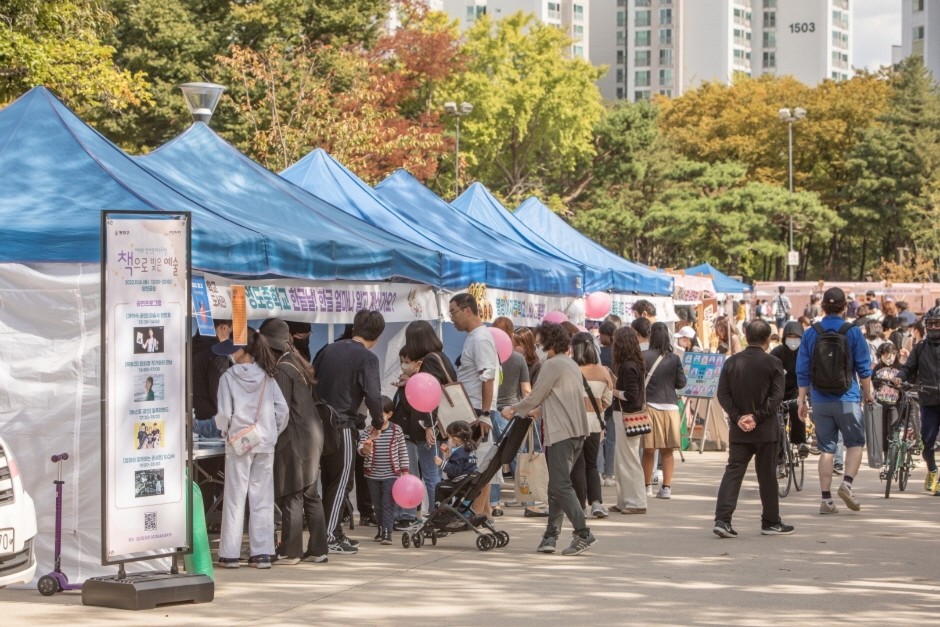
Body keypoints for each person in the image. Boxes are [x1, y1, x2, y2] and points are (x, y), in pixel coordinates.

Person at [501, 322, 597, 556]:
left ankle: (583, 533)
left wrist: (513, 409)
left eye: (540, 340)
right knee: (557, 485)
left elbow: (535, 395)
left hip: (561, 432)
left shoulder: (551, 365)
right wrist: (539, 411)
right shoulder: (570, 364)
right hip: (577, 431)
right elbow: (557, 398)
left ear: (550, 342)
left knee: (560, 485)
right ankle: (550, 536)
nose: (538, 344)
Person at [213, 328, 289, 569]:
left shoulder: (228, 377)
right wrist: (271, 432)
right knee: (262, 497)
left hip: (239, 442)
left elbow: (224, 413)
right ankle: (263, 553)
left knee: (235, 497)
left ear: (241, 349)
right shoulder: (268, 376)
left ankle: (230, 554)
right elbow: (282, 410)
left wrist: (227, 431)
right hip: (265, 442)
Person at [313, 309, 386, 555]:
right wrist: (378, 421)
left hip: (317, 423)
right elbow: (374, 395)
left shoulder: (328, 349)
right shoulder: (367, 358)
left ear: (355, 328)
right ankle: (330, 535)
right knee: (341, 482)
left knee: (327, 481)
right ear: (377, 336)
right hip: (342, 423)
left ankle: (331, 532)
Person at [796, 287, 874, 515]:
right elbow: (864, 367)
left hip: (819, 398)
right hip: (847, 397)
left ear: (822, 307)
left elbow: (802, 370)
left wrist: (802, 401)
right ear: (845, 307)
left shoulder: (811, 332)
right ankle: (847, 483)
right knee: (855, 443)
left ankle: (826, 499)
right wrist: (868, 393)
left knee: (826, 449)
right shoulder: (853, 331)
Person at [713, 319, 792, 538]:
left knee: (733, 471)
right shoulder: (773, 363)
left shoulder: (731, 362)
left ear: (746, 337)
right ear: (768, 340)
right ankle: (770, 521)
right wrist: (757, 417)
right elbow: (776, 397)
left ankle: (722, 519)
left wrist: (738, 417)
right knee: (766, 475)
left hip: (739, 430)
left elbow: (723, 394)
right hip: (766, 429)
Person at [260, 319, 327, 565]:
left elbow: (281, 410)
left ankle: (291, 551)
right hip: (312, 436)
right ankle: (319, 549)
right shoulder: (295, 362)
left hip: (295, 437)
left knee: (292, 493)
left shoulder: (282, 369)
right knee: (310, 493)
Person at [448, 294, 499, 521]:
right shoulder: (474, 337)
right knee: (479, 462)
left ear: (467, 310)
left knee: (479, 465)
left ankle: (478, 512)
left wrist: (486, 413)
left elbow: (488, 377)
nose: (452, 318)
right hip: (473, 408)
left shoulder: (480, 339)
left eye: (454, 312)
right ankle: (484, 512)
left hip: (478, 410)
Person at [896, 306, 940, 494]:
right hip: (928, 401)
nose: (934, 327)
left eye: (937, 323)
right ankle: (932, 470)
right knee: (927, 441)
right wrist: (900, 376)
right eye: (931, 323)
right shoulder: (920, 347)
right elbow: (908, 368)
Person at [641, 322, 687, 499]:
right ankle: (666, 487)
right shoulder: (674, 358)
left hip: (650, 406)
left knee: (648, 449)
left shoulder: (643, 356)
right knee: (668, 450)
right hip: (670, 407)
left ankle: (647, 487)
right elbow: (681, 383)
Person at [490, 317, 531, 515]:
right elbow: (526, 391)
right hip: (513, 411)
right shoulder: (518, 358)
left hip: (492, 410)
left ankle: (494, 503)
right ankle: (527, 500)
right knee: (516, 456)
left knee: (493, 456)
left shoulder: (488, 357)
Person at [570, 332, 613, 518]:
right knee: (592, 464)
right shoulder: (603, 371)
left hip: (574, 424)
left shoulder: (570, 369)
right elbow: (607, 400)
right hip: (595, 424)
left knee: (577, 466)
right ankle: (596, 503)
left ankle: (580, 507)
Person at [358, 396, 408, 545]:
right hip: (372, 475)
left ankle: (387, 532)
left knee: (387, 504)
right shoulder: (369, 430)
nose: (377, 418)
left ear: (389, 414)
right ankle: (380, 529)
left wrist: (405, 471)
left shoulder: (396, 430)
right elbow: (360, 448)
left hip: (391, 474)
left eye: (381, 414)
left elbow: (402, 451)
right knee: (377, 505)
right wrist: (365, 449)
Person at [609, 326, 648, 515]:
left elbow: (631, 395)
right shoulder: (634, 364)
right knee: (623, 458)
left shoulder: (628, 366)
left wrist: (613, 392)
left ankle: (636, 501)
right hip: (629, 415)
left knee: (629, 459)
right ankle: (625, 500)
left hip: (626, 415)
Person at [770, 321, 810, 468]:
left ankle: (800, 442)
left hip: (797, 389)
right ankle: (779, 457)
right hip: (778, 390)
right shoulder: (777, 353)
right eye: (790, 336)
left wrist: (807, 396)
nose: (793, 340)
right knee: (777, 420)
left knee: (796, 408)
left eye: (796, 336)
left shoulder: (806, 353)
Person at [433, 421, 479, 504]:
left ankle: (442, 511)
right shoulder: (469, 449)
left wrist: (441, 463)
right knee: (445, 484)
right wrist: (448, 456)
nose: (448, 440)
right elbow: (461, 465)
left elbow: (455, 471)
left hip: (461, 484)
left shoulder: (459, 452)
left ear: (455, 438)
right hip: (469, 483)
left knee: (439, 486)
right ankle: (448, 508)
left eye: (448, 437)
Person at [597, 321, 618, 487]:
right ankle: (610, 474)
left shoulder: (598, 353)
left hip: (598, 398)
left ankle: (597, 471)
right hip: (615, 399)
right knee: (612, 439)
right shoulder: (618, 353)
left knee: (599, 438)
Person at [873, 343, 901, 455]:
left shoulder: (900, 368)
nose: (887, 360)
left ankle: (894, 453)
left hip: (895, 403)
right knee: (883, 430)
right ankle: (885, 454)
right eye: (884, 357)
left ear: (895, 354)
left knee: (893, 428)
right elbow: (874, 382)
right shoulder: (877, 368)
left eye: (889, 356)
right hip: (881, 402)